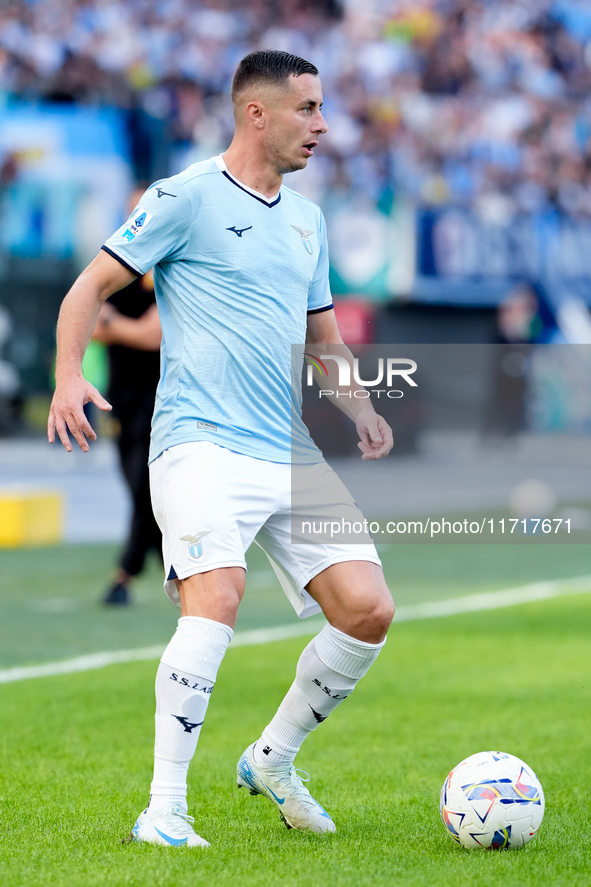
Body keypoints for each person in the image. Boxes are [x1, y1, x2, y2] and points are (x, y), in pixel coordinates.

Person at [48, 50, 395, 848]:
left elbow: (323, 337)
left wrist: (360, 405)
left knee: (368, 610)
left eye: (322, 107)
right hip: (197, 442)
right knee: (219, 597)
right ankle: (163, 807)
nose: (322, 124)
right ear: (257, 114)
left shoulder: (306, 219)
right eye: (308, 109)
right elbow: (86, 288)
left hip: (287, 448)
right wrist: (69, 375)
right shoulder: (184, 197)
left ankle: (272, 758)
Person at [91, 187, 162, 606]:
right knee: (134, 483)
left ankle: (125, 573)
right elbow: (93, 325)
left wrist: (115, 326)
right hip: (121, 398)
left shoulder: (167, 269)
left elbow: (155, 335)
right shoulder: (117, 268)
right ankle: (159, 549)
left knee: (144, 485)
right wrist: (117, 326)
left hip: (161, 397)